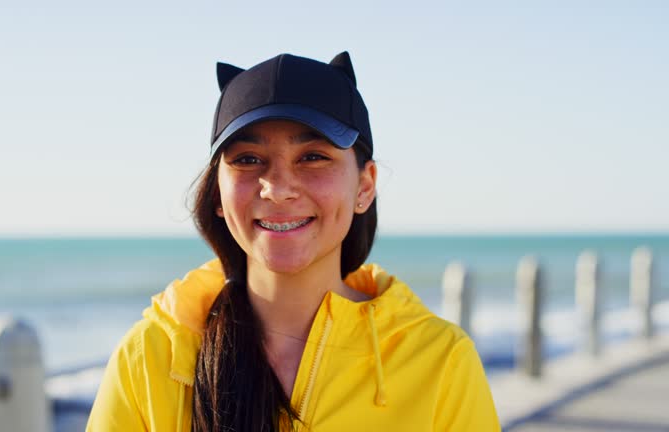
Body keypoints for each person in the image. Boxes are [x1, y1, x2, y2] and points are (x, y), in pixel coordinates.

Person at [86, 52, 500, 431]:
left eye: (313, 157)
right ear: (217, 193)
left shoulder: (441, 360)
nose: (277, 188)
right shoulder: (151, 355)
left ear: (365, 186)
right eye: (248, 160)